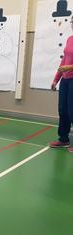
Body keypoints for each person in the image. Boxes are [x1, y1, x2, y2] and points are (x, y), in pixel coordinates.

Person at [49, 16, 73, 153]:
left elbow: (67, 65)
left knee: (72, 111)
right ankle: (63, 139)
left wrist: (69, 68)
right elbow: (64, 60)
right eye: (72, 22)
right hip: (65, 80)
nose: (72, 24)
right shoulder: (70, 39)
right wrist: (56, 79)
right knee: (62, 110)